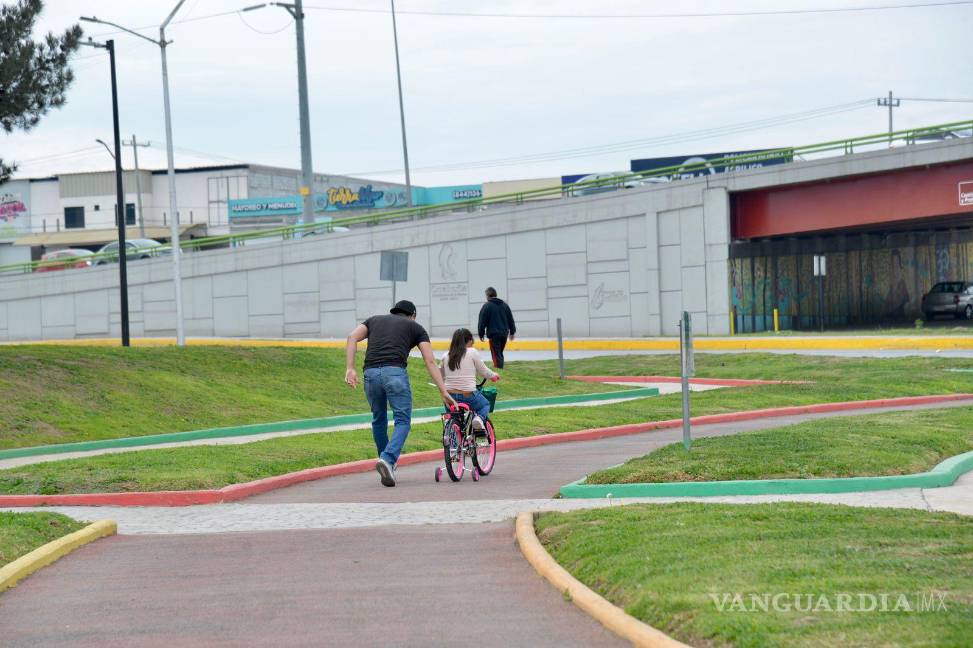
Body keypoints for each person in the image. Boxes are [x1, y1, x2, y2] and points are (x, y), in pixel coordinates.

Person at [345, 300, 456, 487]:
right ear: (412, 315)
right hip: (394, 372)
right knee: (402, 420)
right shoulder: (415, 327)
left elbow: (351, 337)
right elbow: (429, 361)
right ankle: (387, 460)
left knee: (378, 418)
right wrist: (443, 390)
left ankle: (387, 463)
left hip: (370, 373)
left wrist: (350, 368)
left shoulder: (374, 320)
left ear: (394, 312)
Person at [440, 328, 500, 432]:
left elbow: (440, 374)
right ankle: (478, 419)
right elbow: (483, 371)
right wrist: (493, 376)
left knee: (454, 417)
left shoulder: (446, 355)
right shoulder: (472, 352)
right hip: (468, 394)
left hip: (449, 396)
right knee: (485, 405)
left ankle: (452, 430)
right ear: (468, 341)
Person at [477, 287, 516, 369]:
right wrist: (512, 332)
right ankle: (500, 367)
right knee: (499, 353)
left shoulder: (487, 306)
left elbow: (482, 321)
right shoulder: (505, 305)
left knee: (496, 354)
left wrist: (481, 334)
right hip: (504, 334)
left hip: (494, 335)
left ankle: (499, 369)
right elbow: (510, 319)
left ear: (487, 295)